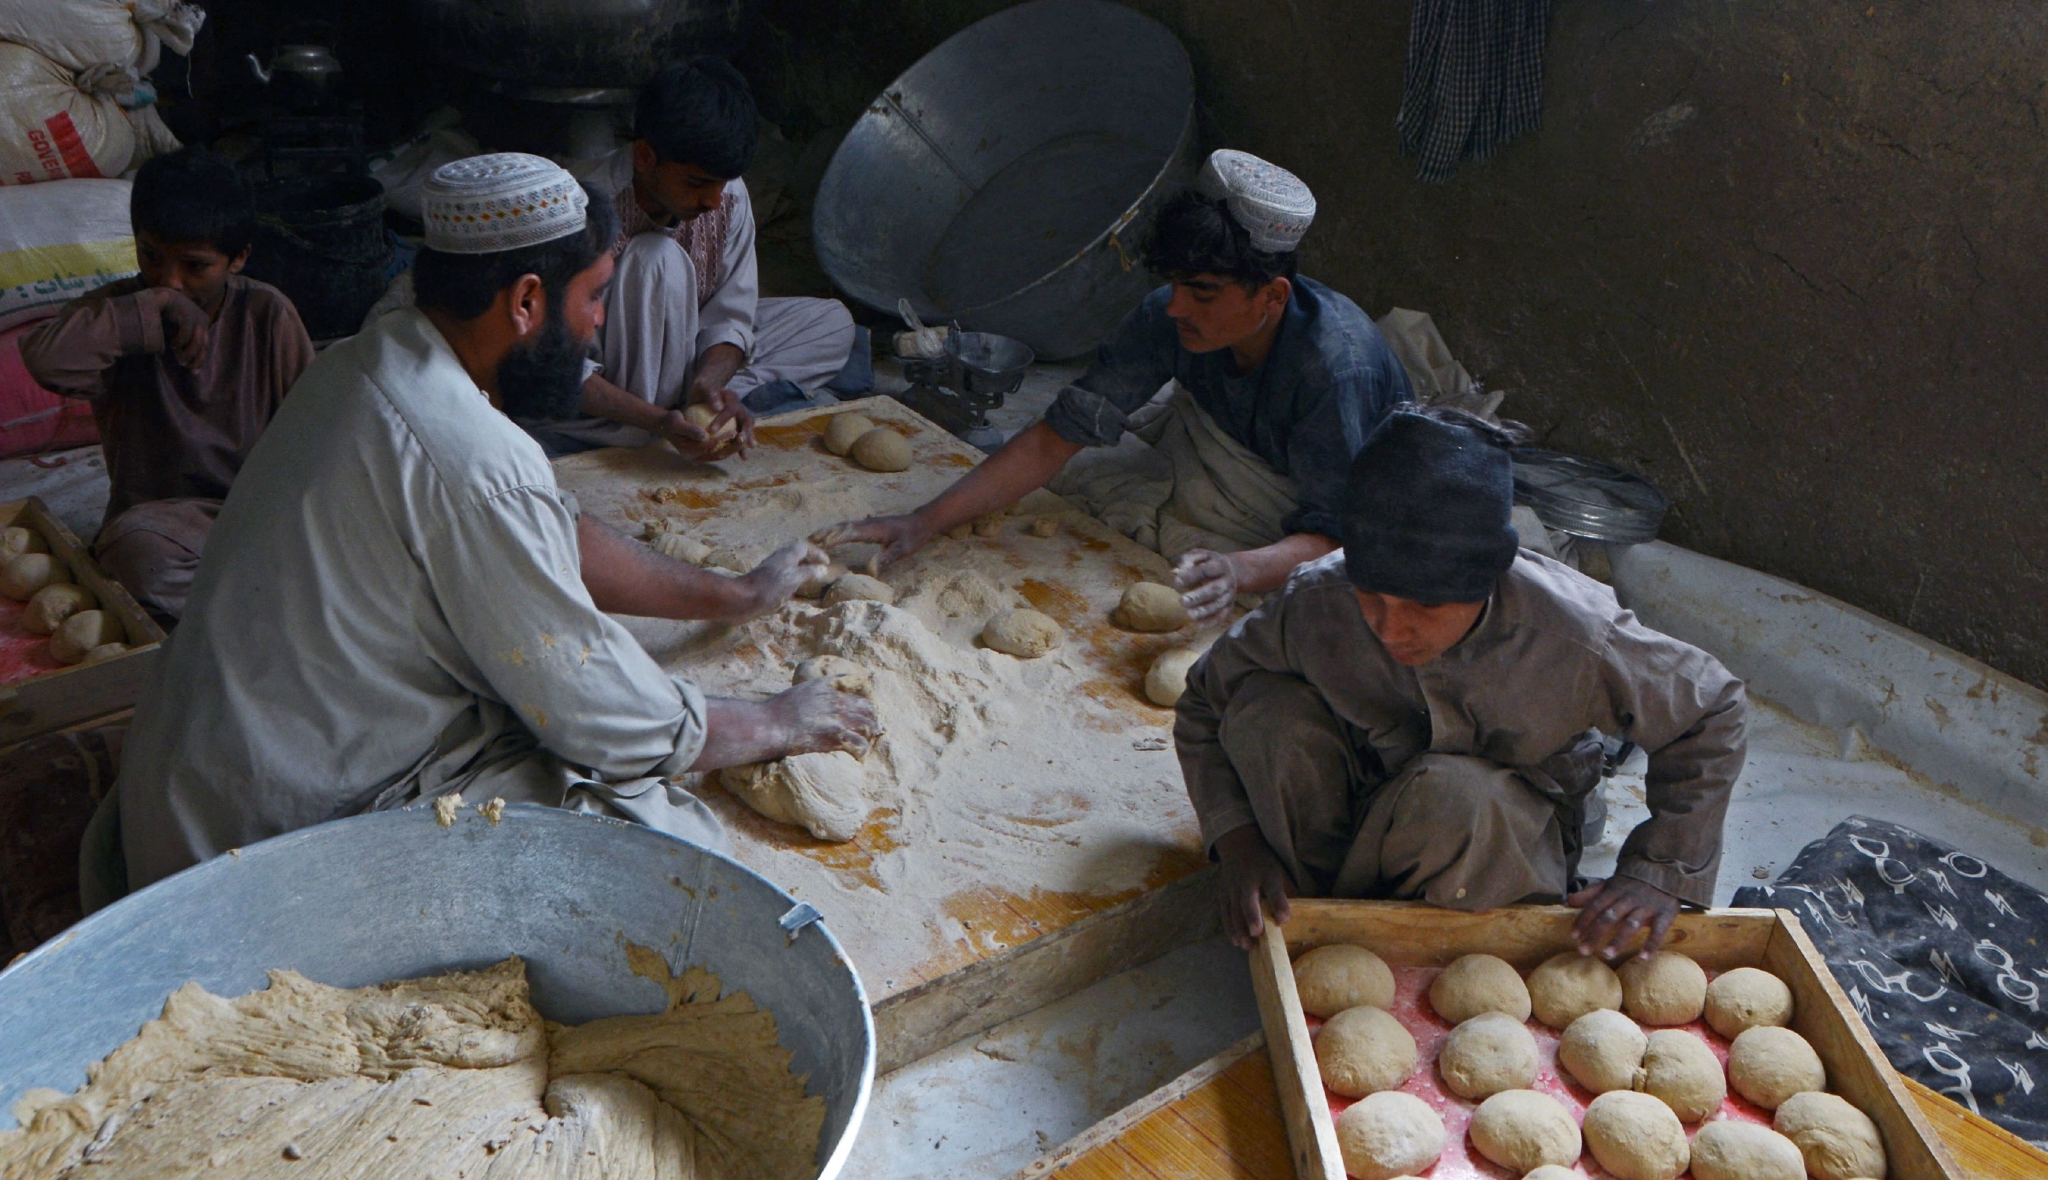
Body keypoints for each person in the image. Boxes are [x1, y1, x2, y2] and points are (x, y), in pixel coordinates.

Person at [116, 154, 874, 892]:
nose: (600, 324)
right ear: (526, 302)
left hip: (187, 794)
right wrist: (776, 721)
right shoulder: (471, 456)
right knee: (648, 835)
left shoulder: (366, 361)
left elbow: (549, 533)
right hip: (256, 852)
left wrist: (734, 596)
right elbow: (607, 715)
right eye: (595, 297)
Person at [1174, 406, 1748, 957]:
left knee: (1457, 797)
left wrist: (1660, 873)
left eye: (1425, 604)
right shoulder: (1317, 600)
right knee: (1265, 713)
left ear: (1485, 582)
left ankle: (1412, 940)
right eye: (1372, 597)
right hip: (1362, 797)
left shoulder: (1574, 632)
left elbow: (1712, 709)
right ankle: (1310, 917)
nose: (1391, 628)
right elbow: (1204, 701)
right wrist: (1239, 841)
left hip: (1495, 831)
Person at [825, 149, 1412, 623]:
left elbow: (1336, 534)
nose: (1177, 307)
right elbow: (1054, 439)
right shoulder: (1171, 316)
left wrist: (1241, 571)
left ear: (1273, 296)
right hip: (1230, 453)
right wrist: (921, 522)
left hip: (1342, 493)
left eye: (1203, 292)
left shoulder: (1336, 367)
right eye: (1176, 284)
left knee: (1333, 610)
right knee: (1080, 479)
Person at [20, 148, 315, 620]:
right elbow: (46, 360)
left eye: (195, 266)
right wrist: (151, 309)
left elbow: (314, 440)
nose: (169, 280)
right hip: (160, 526)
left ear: (238, 259)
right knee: (139, 556)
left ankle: (257, 597)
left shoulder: (267, 315)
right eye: (152, 256)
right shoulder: (121, 312)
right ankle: (268, 605)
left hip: (253, 517)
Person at [531, 57, 858, 456]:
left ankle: (708, 409)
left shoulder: (726, 195)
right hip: (613, 373)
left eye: (721, 184)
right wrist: (655, 419)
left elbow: (731, 315)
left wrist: (712, 382)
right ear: (645, 157)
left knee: (832, 324)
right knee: (657, 259)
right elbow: (555, 365)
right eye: (698, 182)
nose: (713, 200)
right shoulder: (583, 211)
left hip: (683, 350)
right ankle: (647, 425)